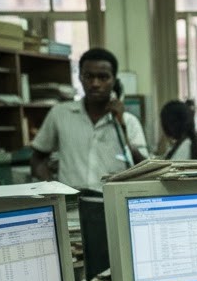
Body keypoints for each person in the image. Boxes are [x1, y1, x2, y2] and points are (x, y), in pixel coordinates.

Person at [30, 48, 148, 189]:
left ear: (114, 81)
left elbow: (145, 169)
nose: (95, 84)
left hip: (113, 203)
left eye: (103, 77)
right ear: (80, 77)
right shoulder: (60, 113)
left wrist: (122, 126)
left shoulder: (129, 122)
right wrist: (52, 188)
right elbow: (37, 158)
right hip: (72, 205)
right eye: (89, 76)